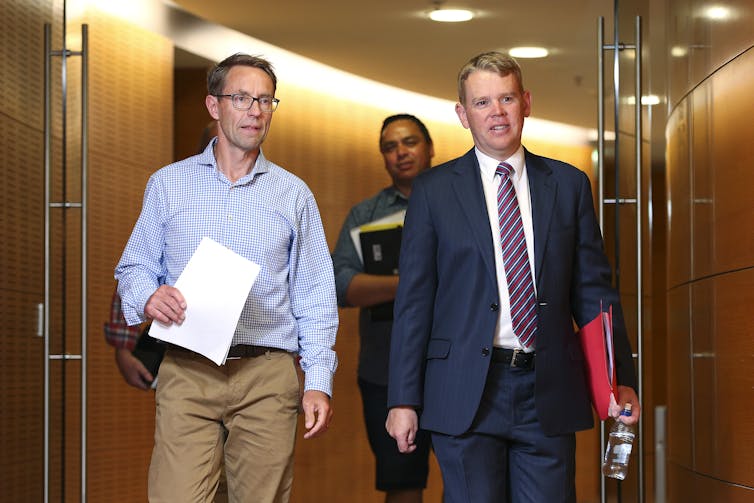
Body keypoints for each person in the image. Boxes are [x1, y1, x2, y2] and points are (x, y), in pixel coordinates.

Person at [385, 51, 641, 502]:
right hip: (464, 389)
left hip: (548, 386)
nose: (496, 113)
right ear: (463, 115)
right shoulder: (434, 191)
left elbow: (594, 292)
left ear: (526, 102)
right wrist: (402, 399)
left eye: (506, 98)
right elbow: (414, 303)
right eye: (482, 103)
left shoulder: (568, 184)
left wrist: (619, 379)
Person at [115, 53, 338, 502]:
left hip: (267, 374)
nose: (255, 110)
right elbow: (133, 268)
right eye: (241, 98)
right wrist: (147, 297)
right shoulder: (167, 184)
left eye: (265, 100)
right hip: (187, 369)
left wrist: (318, 380)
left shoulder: (294, 195)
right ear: (214, 106)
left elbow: (315, 296)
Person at [332, 114, 435, 503]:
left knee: (471, 480)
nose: (400, 153)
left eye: (409, 142)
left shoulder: (463, 201)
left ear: (429, 148)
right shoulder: (366, 215)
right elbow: (341, 285)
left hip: (458, 367)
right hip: (385, 371)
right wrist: (415, 284)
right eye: (390, 147)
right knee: (401, 483)